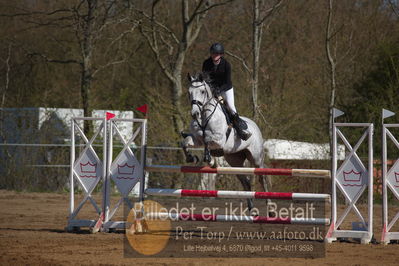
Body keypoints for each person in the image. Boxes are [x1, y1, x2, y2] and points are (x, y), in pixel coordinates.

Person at [202, 43, 252, 141]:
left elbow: (227, 81)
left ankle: (241, 130)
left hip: (226, 88)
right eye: (213, 53)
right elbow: (204, 78)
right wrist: (212, 89)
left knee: (231, 107)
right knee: (201, 104)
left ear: (221, 54)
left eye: (217, 54)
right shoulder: (206, 63)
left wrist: (219, 91)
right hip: (211, 89)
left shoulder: (226, 65)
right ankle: (197, 128)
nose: (214, 55)